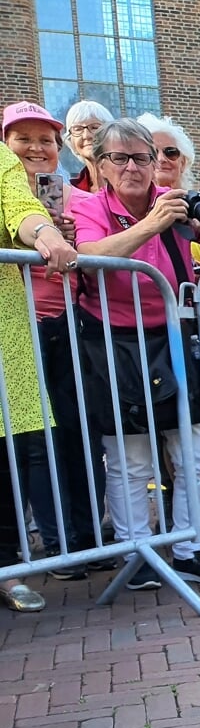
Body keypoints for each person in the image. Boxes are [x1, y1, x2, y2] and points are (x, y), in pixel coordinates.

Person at [71, 117, 200, 590]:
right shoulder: (90, 205)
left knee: (194, 453)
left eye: (143, 157)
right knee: (131, 460)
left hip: (174, 338)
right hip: (115, 342)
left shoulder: (173, 205)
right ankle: (138, 553)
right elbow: (91, 255)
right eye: (120, 158)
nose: (133, 167)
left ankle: (189, 549)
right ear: (101, 165)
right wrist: (153, 223)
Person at [4, 100, 107, 584]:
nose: (36, 148)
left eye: (45, 139)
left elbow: (91, 246)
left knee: (77, 436)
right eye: (23, 138)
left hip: (70, 324)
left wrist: (67, 235)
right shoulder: (7, 187)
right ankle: (54, 542)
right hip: (17, 333)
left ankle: (84, 539)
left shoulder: (75, 197)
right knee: (31, 443)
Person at [0, 134, 79, 611]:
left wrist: (47, 234)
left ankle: (5, 568)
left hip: (3, 326)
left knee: (9, 447)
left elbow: (17, 204)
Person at [62, 100, 113, 194]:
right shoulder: (70, 191)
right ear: (70, 138)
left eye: (95, 128)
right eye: (78, 129)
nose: (86, 136)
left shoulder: (126, 181)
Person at [138, 114, 197, 192]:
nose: (161, 159)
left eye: (170, 152)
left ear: (182, 163)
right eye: (152, 153)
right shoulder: (128, 203)